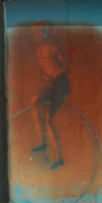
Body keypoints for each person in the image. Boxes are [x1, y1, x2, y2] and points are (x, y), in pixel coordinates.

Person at [31, 22, 70, 170]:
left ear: (43, 33)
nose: (35, 36)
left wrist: (55, 75)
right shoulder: (38, 51)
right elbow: (43, 71)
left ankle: (52, 152)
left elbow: (66, 65)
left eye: (37, 33)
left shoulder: (53, 47)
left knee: (45, 117)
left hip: (59, 84)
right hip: (49, 85)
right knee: (40, 111)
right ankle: (46, 146)